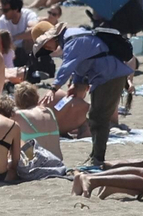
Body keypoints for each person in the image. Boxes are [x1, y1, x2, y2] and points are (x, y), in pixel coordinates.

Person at [44, 24, 133, 170]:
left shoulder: (72, 40)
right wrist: (76, 83)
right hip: (106, 76)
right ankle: (96, 156)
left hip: (110, 76)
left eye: (45, 44)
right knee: (97, 116)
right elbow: (83, 62)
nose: (46, 49)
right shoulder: (74, 36)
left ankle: (98, 158)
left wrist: (54, 88)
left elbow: (68, 65)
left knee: (99, 117)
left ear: (53, 38)